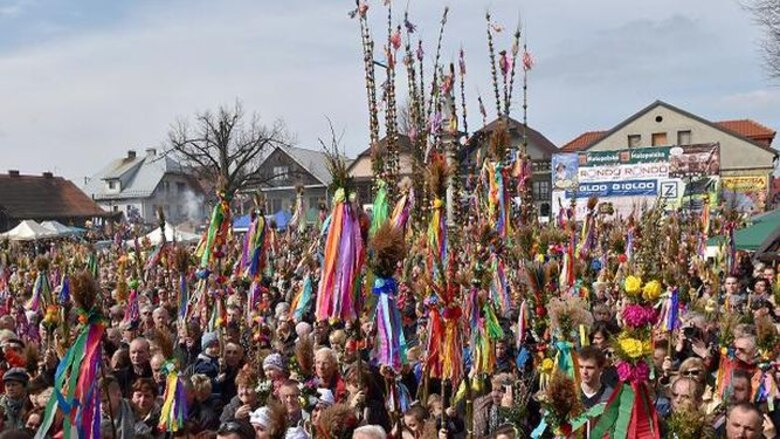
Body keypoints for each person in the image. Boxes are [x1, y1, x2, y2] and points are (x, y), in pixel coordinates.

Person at [473, 372, 513, 438]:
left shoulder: (516, 412)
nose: (495, 395)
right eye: (494, 390)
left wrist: (507, 411)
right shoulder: (483, 407)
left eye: (500, 391)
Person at [99, 375, 136, 439]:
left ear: (118, 395)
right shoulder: (93, 422)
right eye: (98, 402)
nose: (101, 406)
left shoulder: (136, 423)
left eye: (105, 401)